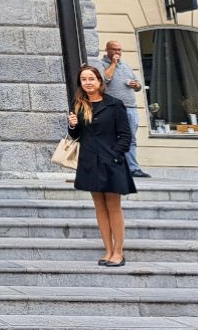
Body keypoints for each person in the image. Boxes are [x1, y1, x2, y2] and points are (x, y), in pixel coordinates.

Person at [68, 65, 136, 269]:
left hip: (112, 162)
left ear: (99, 81)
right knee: (99, 207)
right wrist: (72, 125)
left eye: (91, 78)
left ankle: (118, 251)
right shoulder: (79, 105)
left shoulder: (115, 105)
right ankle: (107, 250)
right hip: (90, 162)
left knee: (113, 207)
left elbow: (125, 136)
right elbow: (76, 136)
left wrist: (115, 155)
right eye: (83, 79)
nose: (87, 82)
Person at [96, 41, 149, 178]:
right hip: (112, 109)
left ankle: (133, 168)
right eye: (114, 50)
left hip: (130, 108)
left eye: (119, 50)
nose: (117, 52)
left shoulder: (126, 66)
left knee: (130, 138)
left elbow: (138, 87)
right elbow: (105, 79)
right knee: (112, 138)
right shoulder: (101, 65)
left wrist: (136, 85)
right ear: (107, 50)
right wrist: (113, 63)